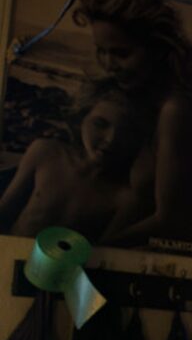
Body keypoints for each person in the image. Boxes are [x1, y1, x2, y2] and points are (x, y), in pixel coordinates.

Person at [71, 0, 192, 254]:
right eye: (101, 51)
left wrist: (96, 251)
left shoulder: (176, 110)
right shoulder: (143, 106)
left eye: (121, 53)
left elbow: (171, 221)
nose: (109, 64)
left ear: (157, 50)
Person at [0, 81, 149, 238]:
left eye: (125, 131)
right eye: (100, 124)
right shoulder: (45, 153)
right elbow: (5, 211)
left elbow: (106, 252)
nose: (111, 139)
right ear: (81, 119)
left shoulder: (124, 197)